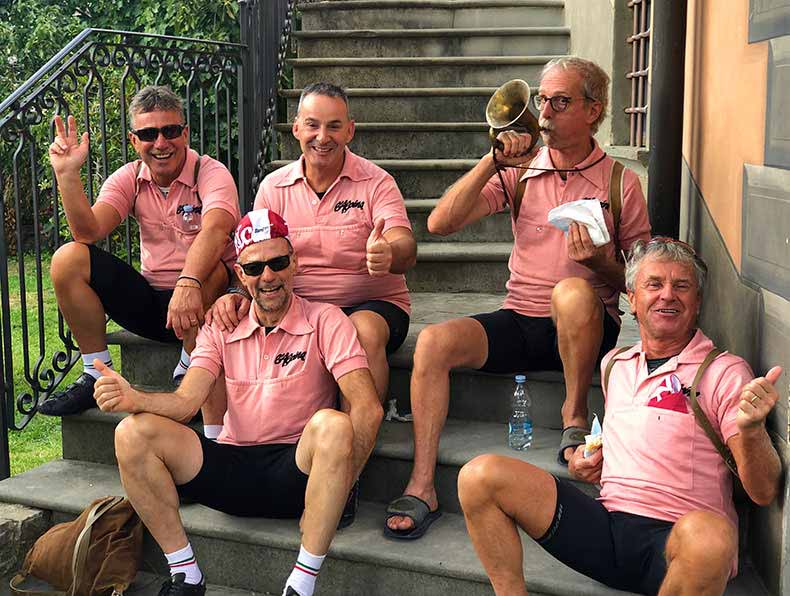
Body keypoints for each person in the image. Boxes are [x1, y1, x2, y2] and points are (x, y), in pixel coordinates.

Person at [385, 56, 651, 539]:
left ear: (594, 110)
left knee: (571, 292)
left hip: (585, 324)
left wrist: (598, 262)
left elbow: (638, 281)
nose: (544, 112)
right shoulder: (519, 171)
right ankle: (423, 482)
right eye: (542, 99)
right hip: (520, 318)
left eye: (560, 101)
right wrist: (493, 160)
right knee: (433, 343)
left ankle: (573, 417)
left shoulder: (620, 182)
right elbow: (440, 223)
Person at [457, 237, 783, 596]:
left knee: (711, 538)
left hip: (678, 546)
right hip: (607, 530)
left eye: (682, 286)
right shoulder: (615, 364)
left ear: (698, 301)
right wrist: (591, 461)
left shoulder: (725, 372)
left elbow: (764, 491)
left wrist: (752, 431)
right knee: (478, 476)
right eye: (654, 284)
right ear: (632, 297)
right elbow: (635, 443)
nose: (667, 295)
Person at [94, 209, 383, 596]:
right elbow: (186, 402)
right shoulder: (221, 325)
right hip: (231, 463)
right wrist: (133, 398)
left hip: (295, 471)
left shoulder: (327, 320)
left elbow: (368, 407)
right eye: (255, 267)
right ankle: (186, 574)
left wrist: (342, 485)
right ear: (241, 273)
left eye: (278, 262)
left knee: (334, 423)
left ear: (294, 263)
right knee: (132, 433)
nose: (268, 276)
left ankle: (301, 584)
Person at [41, 85, 240, 430]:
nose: (161, 143)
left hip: (205, 302)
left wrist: (188, 282)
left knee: (215, 273)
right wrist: (67, 174)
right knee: (68, 259)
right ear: (135, 141)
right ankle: (94, 373)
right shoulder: (130, 177)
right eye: (149, 133)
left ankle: (191, 366)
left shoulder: (210, 172)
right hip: (154, 306)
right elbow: (88, 232)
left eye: (170, 131)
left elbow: (217, 230)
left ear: (185, 134)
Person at [209, 82, 416, 406]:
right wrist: (236, 294)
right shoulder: (273, 188)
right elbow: (254, 256)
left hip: (372, 304)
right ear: (296, 129)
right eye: (312, 125)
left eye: (334, 126)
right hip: (300, 305)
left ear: (350, 131)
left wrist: (389, 252)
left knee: (359, 332)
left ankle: (358, 439)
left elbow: (404, 244)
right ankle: (225, 442)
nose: (323, 136)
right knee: (226, 320)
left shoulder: (377, 182)